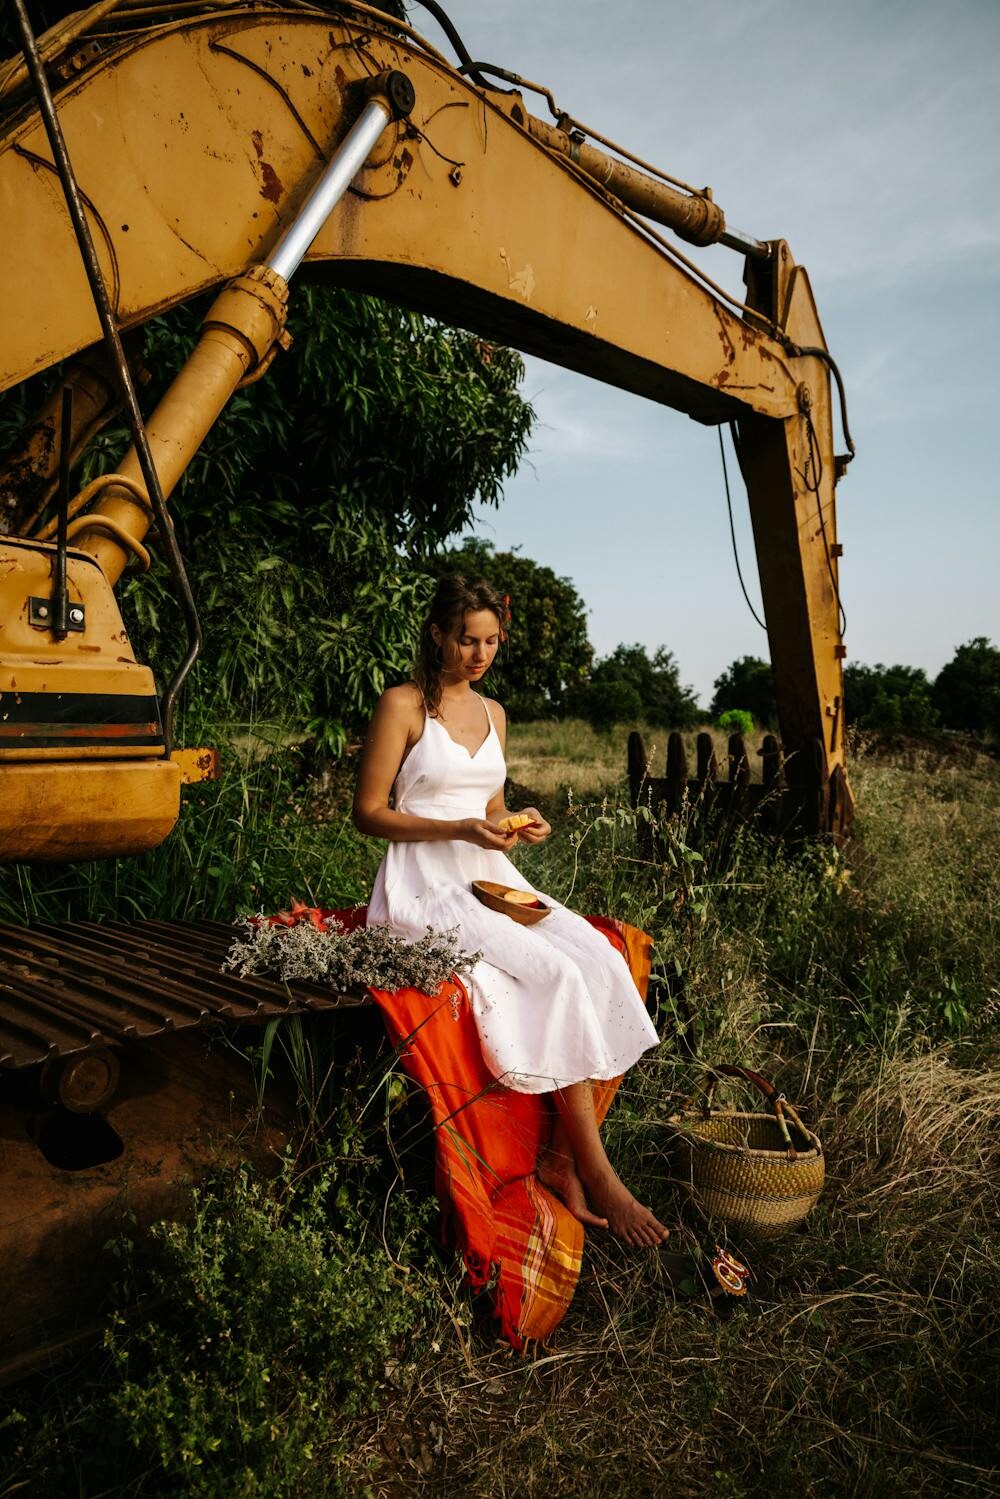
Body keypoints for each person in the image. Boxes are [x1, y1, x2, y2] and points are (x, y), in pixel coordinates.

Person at [353, 574, 669, 1248]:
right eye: (467, 640)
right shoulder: (403, 704)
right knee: (553, 973)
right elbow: (369, 813)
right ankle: (595, 1169)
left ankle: (560, 1155)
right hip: (424, 884)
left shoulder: (495, 713)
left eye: (492, 641)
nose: (480, 654)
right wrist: (459, 829)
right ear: (437, 634)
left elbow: (490, 808)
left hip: (488, 875)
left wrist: (516, 820)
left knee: (596, 955)